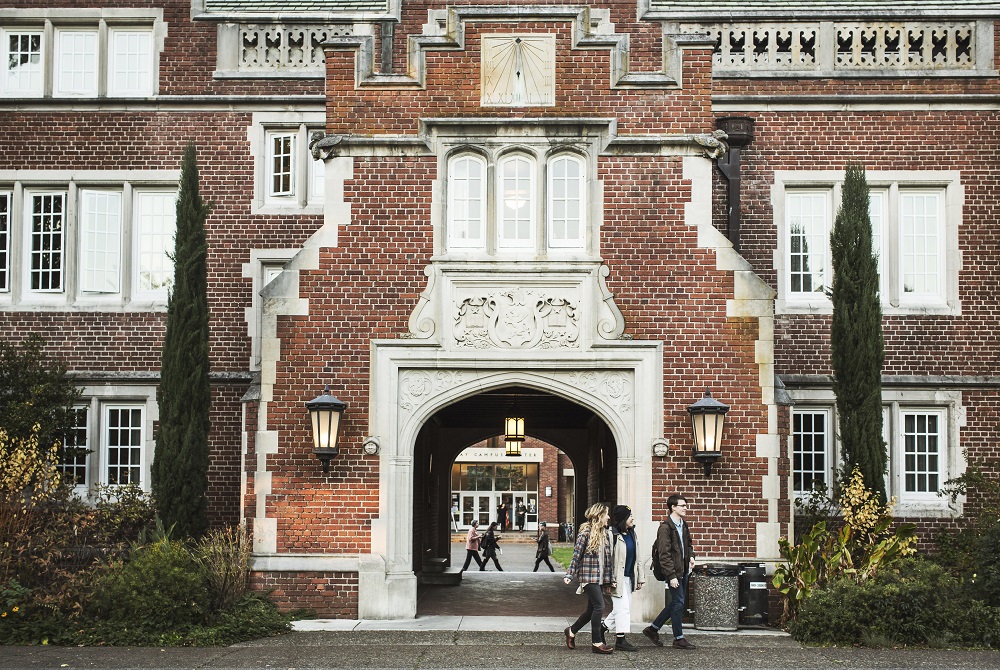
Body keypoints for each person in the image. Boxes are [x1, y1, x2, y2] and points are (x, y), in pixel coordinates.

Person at [643, 494, 696, 650]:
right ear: (673, 507)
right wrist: (671, 576)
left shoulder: (683, 525)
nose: (686, 508)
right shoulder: (665, 528)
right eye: (682, 506)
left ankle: (652, 629)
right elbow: (664, 554)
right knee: (679, 603)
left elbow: (689, 545)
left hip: (684, 570)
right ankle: (678, 638)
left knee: (675, 602)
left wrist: (691, 556)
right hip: (674, 573)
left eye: (686, 506)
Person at [562, 503, 615, 654]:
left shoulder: (605, 534)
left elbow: (608, 561)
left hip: (599, 577)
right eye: (607, 514)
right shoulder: (585, 533)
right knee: (600, 606)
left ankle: (571, 631)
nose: (609, 517)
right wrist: (569, 574)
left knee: (591, 610)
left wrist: (610, 580)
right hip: (588, 576)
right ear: (599, 516)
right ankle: (597, 642)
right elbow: (576, 556)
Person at [603, 505, 644, 651]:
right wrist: (608, 580)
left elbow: (638, 557)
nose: (632, 518)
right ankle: (620, 640)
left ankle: (602, 628)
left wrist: (640, 577)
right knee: (623, 608)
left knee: (621, 608)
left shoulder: (632, 533)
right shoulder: (612, 534)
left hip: (629, 578)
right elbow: (607, 560)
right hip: (617, 579)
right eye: (630, 515)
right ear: (623, 519)